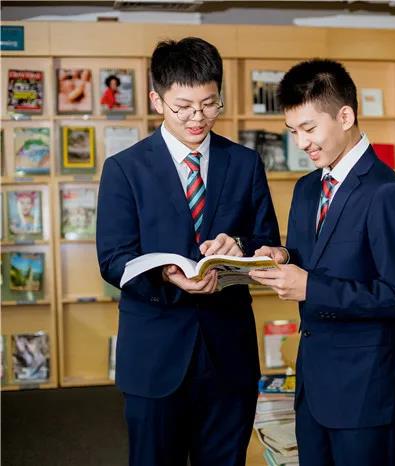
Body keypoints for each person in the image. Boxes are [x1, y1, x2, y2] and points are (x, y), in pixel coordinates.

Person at [96, 37, 280, 466]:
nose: (198, 118)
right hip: (155, 354)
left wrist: (240, 246)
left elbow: (267, 239)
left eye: (209, 104)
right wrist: (165, 273)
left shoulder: (245, 163)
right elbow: (113, 259)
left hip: (229, 352)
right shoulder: (124, 169)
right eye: (183, 107)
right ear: (156, 100)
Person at [250, 59, 395, 466]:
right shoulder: (307, 188)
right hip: (313, 387)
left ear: (345, 117)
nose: (301, 143)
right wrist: (281, 256)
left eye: (309, 128)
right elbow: (314, 258)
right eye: (293, 131)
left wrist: (310, 286)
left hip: (367, 395)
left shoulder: (386, 192)